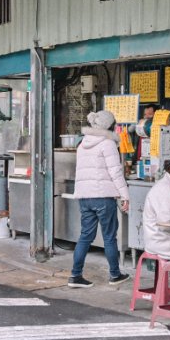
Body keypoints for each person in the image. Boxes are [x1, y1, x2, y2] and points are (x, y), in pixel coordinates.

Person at [69, 110, 131, 288]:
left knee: (85, 236)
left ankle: (75, 275)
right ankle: (114, 274)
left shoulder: (82, 144)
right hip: (103, 197)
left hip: (85, 196)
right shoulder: (107, 143)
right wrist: (124, 195)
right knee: (109, 237)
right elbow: (115, 172)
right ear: (110, 126)